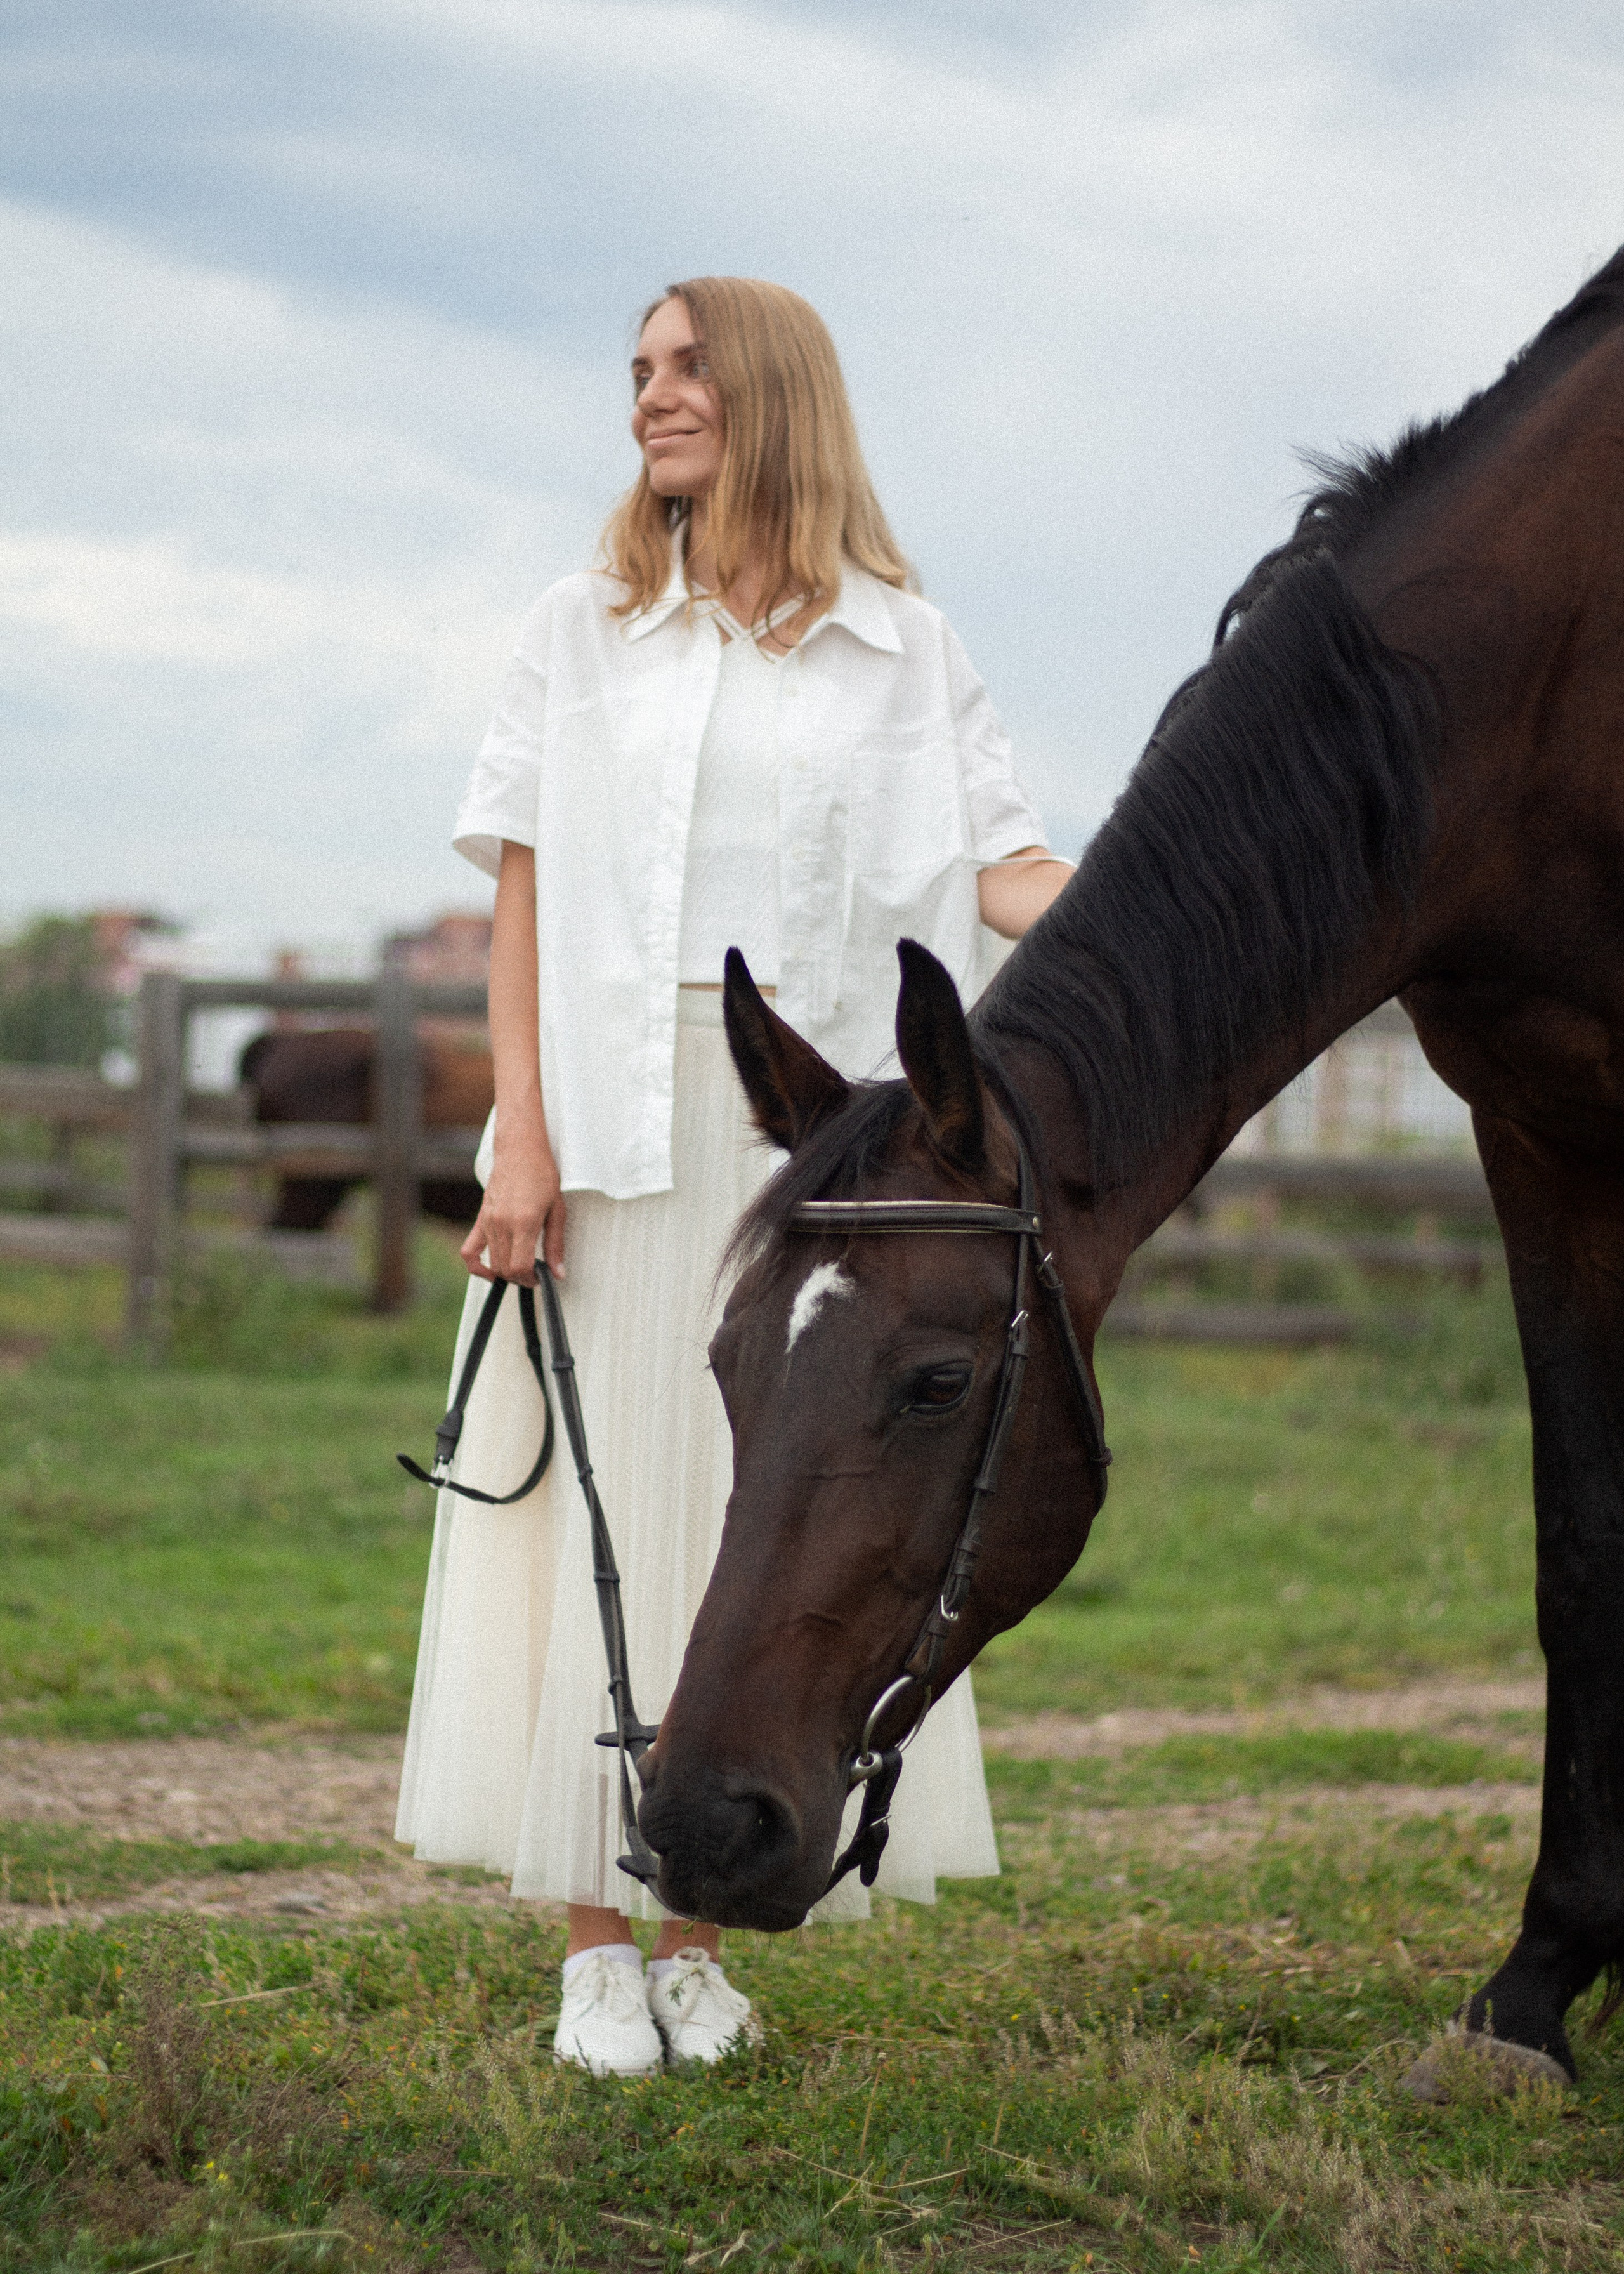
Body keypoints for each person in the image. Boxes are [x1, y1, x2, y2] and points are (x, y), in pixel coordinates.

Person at [395, 277, 1073, 2076]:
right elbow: (523, 889)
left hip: (815, 1170)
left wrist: (1194, 937)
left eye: (684, 368)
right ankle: (597, 1947)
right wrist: (519, 1133)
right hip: (611, 1131)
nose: (649, 398)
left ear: (769, 391)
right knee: (598, 1519)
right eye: (636, 373)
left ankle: (702, 1931)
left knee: (760, 1535)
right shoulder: (583, 626)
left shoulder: (905, 647)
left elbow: (1007, 872)